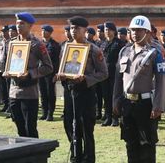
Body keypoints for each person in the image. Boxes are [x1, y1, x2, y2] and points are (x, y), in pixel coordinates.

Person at [113, 15, 165, 163]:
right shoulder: (124, 51)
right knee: (130, 143)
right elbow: (118, 79)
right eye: (132, 30)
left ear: (148, 33)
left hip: (145, 104)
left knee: (146, 145)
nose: (135, 34)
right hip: (127, 104)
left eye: (139, 30)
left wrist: (158, 106)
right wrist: (115, 100)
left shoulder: (155, 53)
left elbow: (161, 81)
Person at [56, 16, 108, 163]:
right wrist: (61, 75)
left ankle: (89, 158)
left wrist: (87, 78)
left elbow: (103, 73)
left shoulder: (93, 49)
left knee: (86, 128)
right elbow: (63, 67)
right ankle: (75, 156)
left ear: (85, 30)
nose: (73, 31)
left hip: (86, 92)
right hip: (70, 91)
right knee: (70, 125)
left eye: (77, 28)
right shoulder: (66, 48)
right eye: (72, 28)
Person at [3, 12, 53, 138]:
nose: (18, 26)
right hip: (14, 91)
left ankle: (34, 156)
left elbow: (48, 67)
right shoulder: (11, 43)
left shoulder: (37, 44)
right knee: (19, 127)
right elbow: (6, 63)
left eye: (22, 24)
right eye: (17, 23)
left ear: (30, 25)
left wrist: (30, 73)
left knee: (30, 128)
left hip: (29, 92)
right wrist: (7, 71)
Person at [101, 22, 125, 127]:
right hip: (104, 73)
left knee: (115, 95)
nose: (107, 31)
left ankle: (116, 117)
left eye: (109, 29)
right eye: (106, 30)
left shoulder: (119, 43)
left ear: (114, 31)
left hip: (115, 72)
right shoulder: (102, 43)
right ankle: (108, 117)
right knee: (106, 95)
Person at [39, 24, 61, 121]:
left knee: (50, 93)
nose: (43, 32)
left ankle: (50, 113)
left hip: (50, 73)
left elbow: (57, 60)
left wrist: (56, 73)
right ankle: (44, 112)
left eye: (45, 31)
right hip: (40, 72)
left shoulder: (55, 45)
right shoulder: (38, 44)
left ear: (50, 33)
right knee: (43, 93)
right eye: (42, 30)